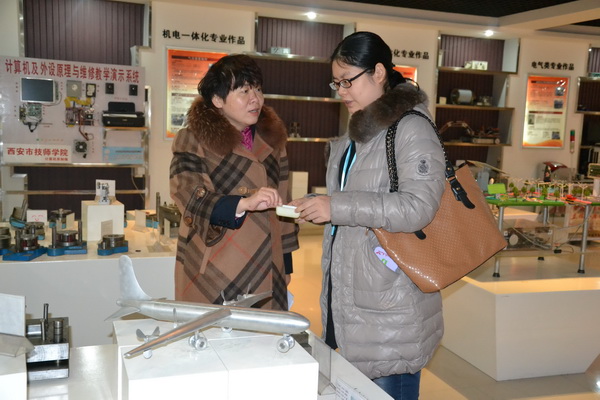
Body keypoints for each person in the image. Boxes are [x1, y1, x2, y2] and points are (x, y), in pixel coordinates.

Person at [291, 32, 446, 399]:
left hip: (391, 305)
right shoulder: (358, 133)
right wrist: (319, 205)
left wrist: (336, 207)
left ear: (378, 72)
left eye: (348, 80)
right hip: (351, 299)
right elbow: (356, 198)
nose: (341, 91)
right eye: (336, 83)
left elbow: (419, 207)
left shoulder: (411, 128)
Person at [169, 54, 298, 311]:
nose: (255, 99)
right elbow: (188, 194)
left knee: (261, 334)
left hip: (268, 265)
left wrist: (286, 264)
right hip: (215, 265)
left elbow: (284, 205)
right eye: (244, 91)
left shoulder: (273, 141)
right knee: (215, 333)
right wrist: (243, 203)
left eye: (258, 89)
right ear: (218, 100)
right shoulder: (193, 139)